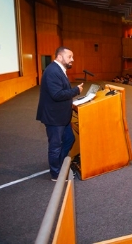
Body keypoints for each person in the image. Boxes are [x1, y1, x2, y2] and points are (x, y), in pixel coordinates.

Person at [36, 46, 83, 181]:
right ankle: (56, 174)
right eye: (70, 57)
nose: (72, 59)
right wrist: (76, 91)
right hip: (54, 117)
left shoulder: (58, 70)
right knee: (55, 146)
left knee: (69, 139)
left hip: (62, 116)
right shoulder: (52, 71)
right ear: (60, 56)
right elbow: (57, 94)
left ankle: (60, 164)